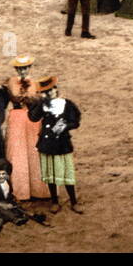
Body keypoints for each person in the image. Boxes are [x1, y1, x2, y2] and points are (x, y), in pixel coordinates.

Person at [29, 75, 82, 214]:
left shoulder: (66, 104)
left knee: (67, 173)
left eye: (51, 90)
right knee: (50, 173)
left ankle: (74, 201)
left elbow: (76, 121)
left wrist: (65, 126)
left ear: (56, 89)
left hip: (62, 143)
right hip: (47, 143)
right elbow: (33, 118)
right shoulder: (43, 106)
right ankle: (54, 201)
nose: (49, 93)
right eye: (45, 92)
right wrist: (36, 104)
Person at [3, 56, 50, 201]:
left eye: (25, 68)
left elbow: (42, 101)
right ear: (16, 69)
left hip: (32, 120)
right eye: (20, 68)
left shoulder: (36, 84)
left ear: (29, 68)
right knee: (18, 153)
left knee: (33, 152)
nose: (23, 71)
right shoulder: (10, 82)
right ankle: (20, 191)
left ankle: (38, 190)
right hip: (16, 118)